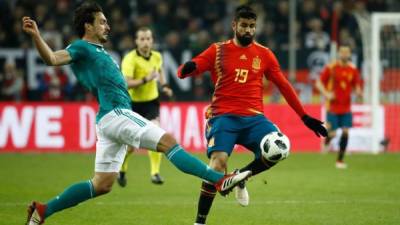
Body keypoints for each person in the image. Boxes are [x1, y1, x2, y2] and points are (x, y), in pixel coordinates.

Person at [22, 2, 251, 224]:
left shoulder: (101, 52)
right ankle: (220, 180)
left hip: (108, 120)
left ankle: (43, 210)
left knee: (102, 184)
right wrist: (36, 36)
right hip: (116, 113)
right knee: (169, 142)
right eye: (102, 22)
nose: (107, 26)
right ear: (87, 26)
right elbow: (51, 58)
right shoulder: (81, 47)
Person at [177, 5, 328, 225]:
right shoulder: (218, 50)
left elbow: (284, 85)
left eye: (252, 26)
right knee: (217, 165)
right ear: (234, 25)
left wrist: (304, 117)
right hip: (223, 117)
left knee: (281, 147)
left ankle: (241, 176)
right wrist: (187, 68)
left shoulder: (264, 54)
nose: (248, 30)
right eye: (244, 25)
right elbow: (191, 67)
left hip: (254, 119)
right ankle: (200, 222)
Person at [118, 27, 173, 186]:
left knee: (155, 134)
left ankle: (155, 173)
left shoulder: (157, 56)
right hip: (133, 104)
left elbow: (159, 71)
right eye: (142, 39)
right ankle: (122, 168)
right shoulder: (130, 59)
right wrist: (145, 79)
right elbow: (126, 83)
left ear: (152, 41)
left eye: (148, 39)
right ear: (136, 41)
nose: (145, 42)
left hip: (151, 103)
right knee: (130, 146)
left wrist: (165, 85)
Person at [315, 44, 362, 169]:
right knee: (333, 134)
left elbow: (357, 85)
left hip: (346, 107)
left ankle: (340, 161)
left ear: (349, 54)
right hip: (333, 107)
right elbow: (319, 83)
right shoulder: (331, 68)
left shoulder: (353, 69)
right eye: (343, 52)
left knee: (346, 132)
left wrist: (358, 92)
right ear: (339, 54)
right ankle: (326, 142)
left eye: (347, 52)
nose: (345, 54)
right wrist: (326, 93)